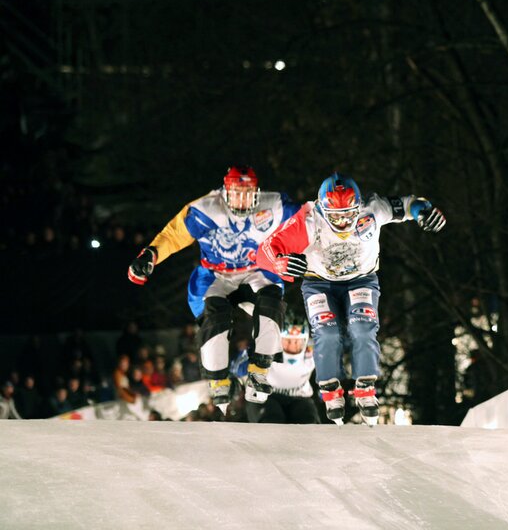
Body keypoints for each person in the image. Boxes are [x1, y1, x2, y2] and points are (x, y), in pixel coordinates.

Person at [256, 172, 445, 425]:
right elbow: (267, 248)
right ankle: (330, 389)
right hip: (319, 283)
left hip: (361, 280)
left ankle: (366, 387)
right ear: (324, 210)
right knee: (327, 331)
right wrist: (279, 263)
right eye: (336, 217)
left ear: (358, 207)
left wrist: (425, 211)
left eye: (348, 214)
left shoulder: (372, 210)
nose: (343, 223)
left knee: (363, 326)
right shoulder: (310, 221)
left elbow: (408, 204)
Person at [127, 165, 301, 413]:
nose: (242, 201)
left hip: (255, 270)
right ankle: (218, 378)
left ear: (256, 192)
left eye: (247, 194)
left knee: (272, 300)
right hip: (216, 275)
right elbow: (175, 234)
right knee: (215, 314)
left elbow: (306, 221)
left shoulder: (272, 205)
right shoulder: (207, 209)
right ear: (225, 192)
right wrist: (150, 255)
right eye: (237, 194)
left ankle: (260, 369)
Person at [245, 321, 320, 424]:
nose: (292, 345)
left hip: (300, 397)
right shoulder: (267, 348)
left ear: (305, 341)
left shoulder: (314, 351)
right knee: (271, 422)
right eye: (287, 340)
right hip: (266, 396)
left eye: (296, 341)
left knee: (308, 423)